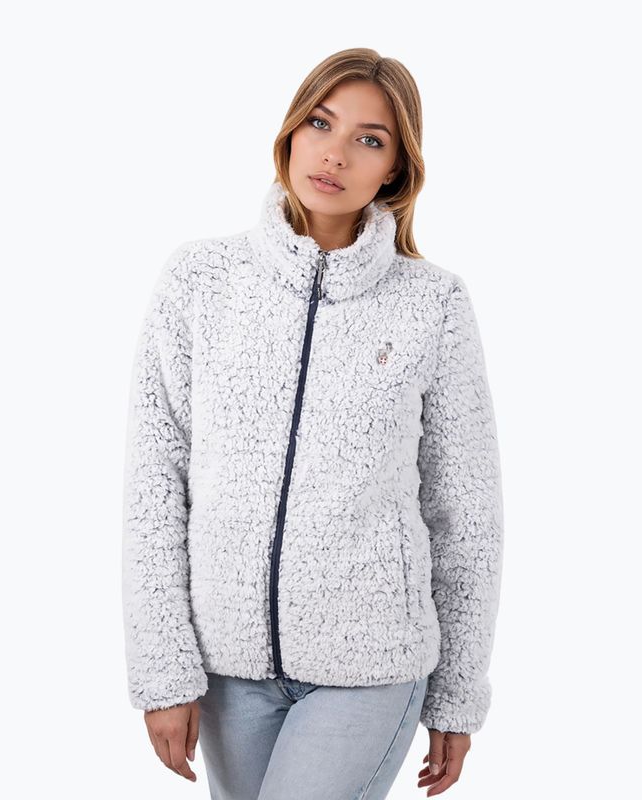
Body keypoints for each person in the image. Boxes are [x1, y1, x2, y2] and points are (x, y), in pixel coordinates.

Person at [121, 47, 504, 799]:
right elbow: (153, 488)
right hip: (228, 671)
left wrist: (458, 693)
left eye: (370, 139)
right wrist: (164, 670)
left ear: (394, 169)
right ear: (291, 133)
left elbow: (465, 513)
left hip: (372, 667)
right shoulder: (200, 281)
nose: (335, 154)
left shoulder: (433, 305)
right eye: (321, 124)